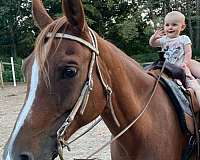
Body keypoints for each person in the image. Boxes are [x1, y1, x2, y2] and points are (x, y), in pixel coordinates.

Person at [149, 11, 200, 105]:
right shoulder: (164, 40)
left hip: (180, 66)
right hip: (167, 68)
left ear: (182, 27)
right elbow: (152, 44)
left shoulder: (184, 39)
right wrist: (154, 37)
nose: (170, 27)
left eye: (174, 25)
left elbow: (188, 52)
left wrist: (185, 63)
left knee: (193, 85)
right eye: (167, 25)